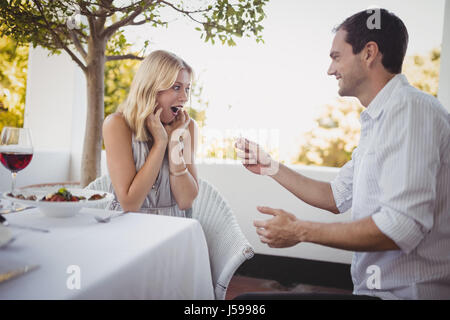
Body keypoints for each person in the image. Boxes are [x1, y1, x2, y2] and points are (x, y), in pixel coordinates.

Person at [235, 8, 450, 300]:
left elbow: (400, 227)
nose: (330, 70)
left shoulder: (411, 110)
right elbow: (336, 197)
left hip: (402, 296)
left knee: (248, 303)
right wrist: (271, 166)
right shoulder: (381, 119)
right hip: (373, 292)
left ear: (369, 53)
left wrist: (299, 231)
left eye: (336, 57)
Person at [103, 50, 199, 218]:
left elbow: (186, 201)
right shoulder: (117, 125)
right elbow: (130, 203)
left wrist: (174, 141)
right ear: (152, 88)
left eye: (187, 89)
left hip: (173, 229)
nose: (184, 97)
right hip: (127, 228)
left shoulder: (187, 127)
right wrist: (160, 144)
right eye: (176, 87)